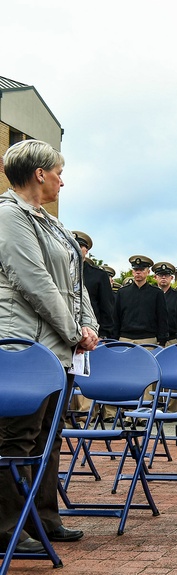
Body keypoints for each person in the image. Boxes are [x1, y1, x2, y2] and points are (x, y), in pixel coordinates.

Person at [0, 139, 97, 554]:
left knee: (48, 436)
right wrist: (75, 330)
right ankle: (7, 527)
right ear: (40, 174)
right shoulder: (9, 215)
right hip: (25, 347)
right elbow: (34, 282)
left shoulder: (50, 222)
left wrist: (88, 325)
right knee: (16, 436)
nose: (62, 180)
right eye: (58, 172)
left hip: (57, 347)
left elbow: (75, 281)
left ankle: (42, 518)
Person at [112, 255, 169, 345]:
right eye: (136, 270)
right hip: (125, 338)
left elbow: (162, 318)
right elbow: (116, 317)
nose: (138, 272)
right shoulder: (122, 292)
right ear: (132, 272)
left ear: (148, 272)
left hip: (148, 339)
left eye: (142, 270)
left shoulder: (156, 293)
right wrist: (114, 338)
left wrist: (162, 340)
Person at [72, 231, 114, 338]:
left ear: (86, 251)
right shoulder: (61, 271)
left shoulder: (99, 275)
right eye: (71, 245)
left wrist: (104, 335)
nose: (74, 249)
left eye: (79, 246)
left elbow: (107, 308)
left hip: (92, 333)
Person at [152, 262, 177, 346]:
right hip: (154, 339)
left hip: (173, 339)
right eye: (160, 275)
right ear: (155, 277)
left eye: (167, 275)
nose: (163, 277)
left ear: (171, 278)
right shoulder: (149, 295)